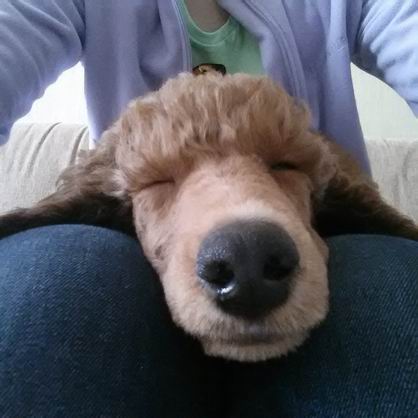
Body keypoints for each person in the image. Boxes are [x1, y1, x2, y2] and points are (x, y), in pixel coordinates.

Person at [0, 1, 417, 416]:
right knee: (57, 273)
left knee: (393, 280)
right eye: (160, 181)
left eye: (283, 168)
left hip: (332, 259)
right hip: (133, 278)